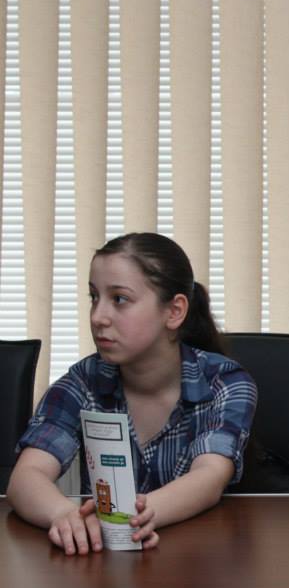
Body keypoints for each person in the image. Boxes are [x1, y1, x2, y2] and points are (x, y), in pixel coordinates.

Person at [7, 233, 257, 554]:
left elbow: (210, 477)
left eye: (120, 299)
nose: (98, 317)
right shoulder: (83, 382)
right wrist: (64, 515)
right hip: (103, 563)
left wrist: (132, 519)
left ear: (174, 311)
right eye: (94, 297)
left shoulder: (225, 382)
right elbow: (26, 476)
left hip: (196, 559)